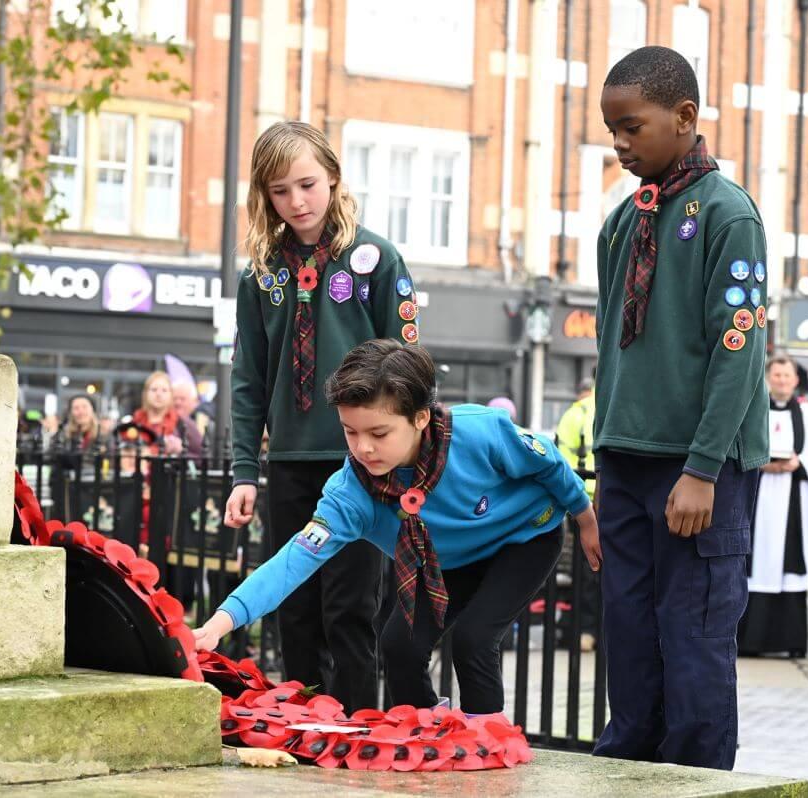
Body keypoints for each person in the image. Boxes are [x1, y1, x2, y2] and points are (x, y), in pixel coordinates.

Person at [194, 340, 598, 714]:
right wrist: (221, 621)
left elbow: (547, 462)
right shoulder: (350, 493)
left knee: (474, 641)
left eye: (379, 433)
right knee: (399, 646)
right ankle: (426, 732)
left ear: (420, 417)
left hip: (523, 538)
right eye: (350, 432)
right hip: (448, 562)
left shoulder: (480, 431)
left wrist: (584, 516)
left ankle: (486, 746)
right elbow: (292, 561)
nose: (363, 447)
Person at [592, 46, 769, 770]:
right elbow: (613, 350)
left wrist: (701, 469)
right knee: (629, 640)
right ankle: (627, 777)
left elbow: (739, 353)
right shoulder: (621, 222)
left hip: (700, 471)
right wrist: (605, 454)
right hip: (626, 463)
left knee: (692, 641)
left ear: (685, 117)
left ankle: (698, 783)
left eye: (631, 127)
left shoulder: (730, 216)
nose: (620, 143)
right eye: (612, 131)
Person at [223, 121, 418, 712]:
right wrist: (243, 470)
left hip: (361, 465)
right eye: (280, 190)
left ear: (333, 177)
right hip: (287, 464)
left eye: (307, 184)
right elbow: (248, 376)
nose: (297, 202)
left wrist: (406, 465)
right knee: (295, 608)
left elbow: (408, 371)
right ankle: (302, 727)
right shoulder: (259, 274)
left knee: (351, 610)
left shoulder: (377, 260)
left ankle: (357, 730)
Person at [738, 355, 808, 658]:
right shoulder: (752, 408)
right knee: (758, 559)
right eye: (776, 374)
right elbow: (738, 444)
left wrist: (798, 463)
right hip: (759, 496)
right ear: (768, 377)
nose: (781, 380)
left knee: (790, 564)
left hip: (794, 499)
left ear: (795, 379)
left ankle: (791, 642)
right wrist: (759, 464)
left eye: (786, 375)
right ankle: (751, 641)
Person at [555, 377, 599, 651]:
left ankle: (585, 631)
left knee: (586, 570)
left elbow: (561, 465)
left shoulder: (575, 414)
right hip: (617, 499)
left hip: (582, 502)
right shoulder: (611, 404)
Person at [131, 371, 203, 458]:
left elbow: (203, 457)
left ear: (171, 395)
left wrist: (181, 451)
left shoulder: (182, 423)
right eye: (154, 390)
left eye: (164, 390)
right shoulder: (135, 421)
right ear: (146, 393)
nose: (158, 394)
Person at [172, 380, 214, 454]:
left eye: (182, 399)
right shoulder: (167, 420)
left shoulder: (204, 423)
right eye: (174, 399)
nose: (177, 402)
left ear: (195, 402)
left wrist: (181, 450)